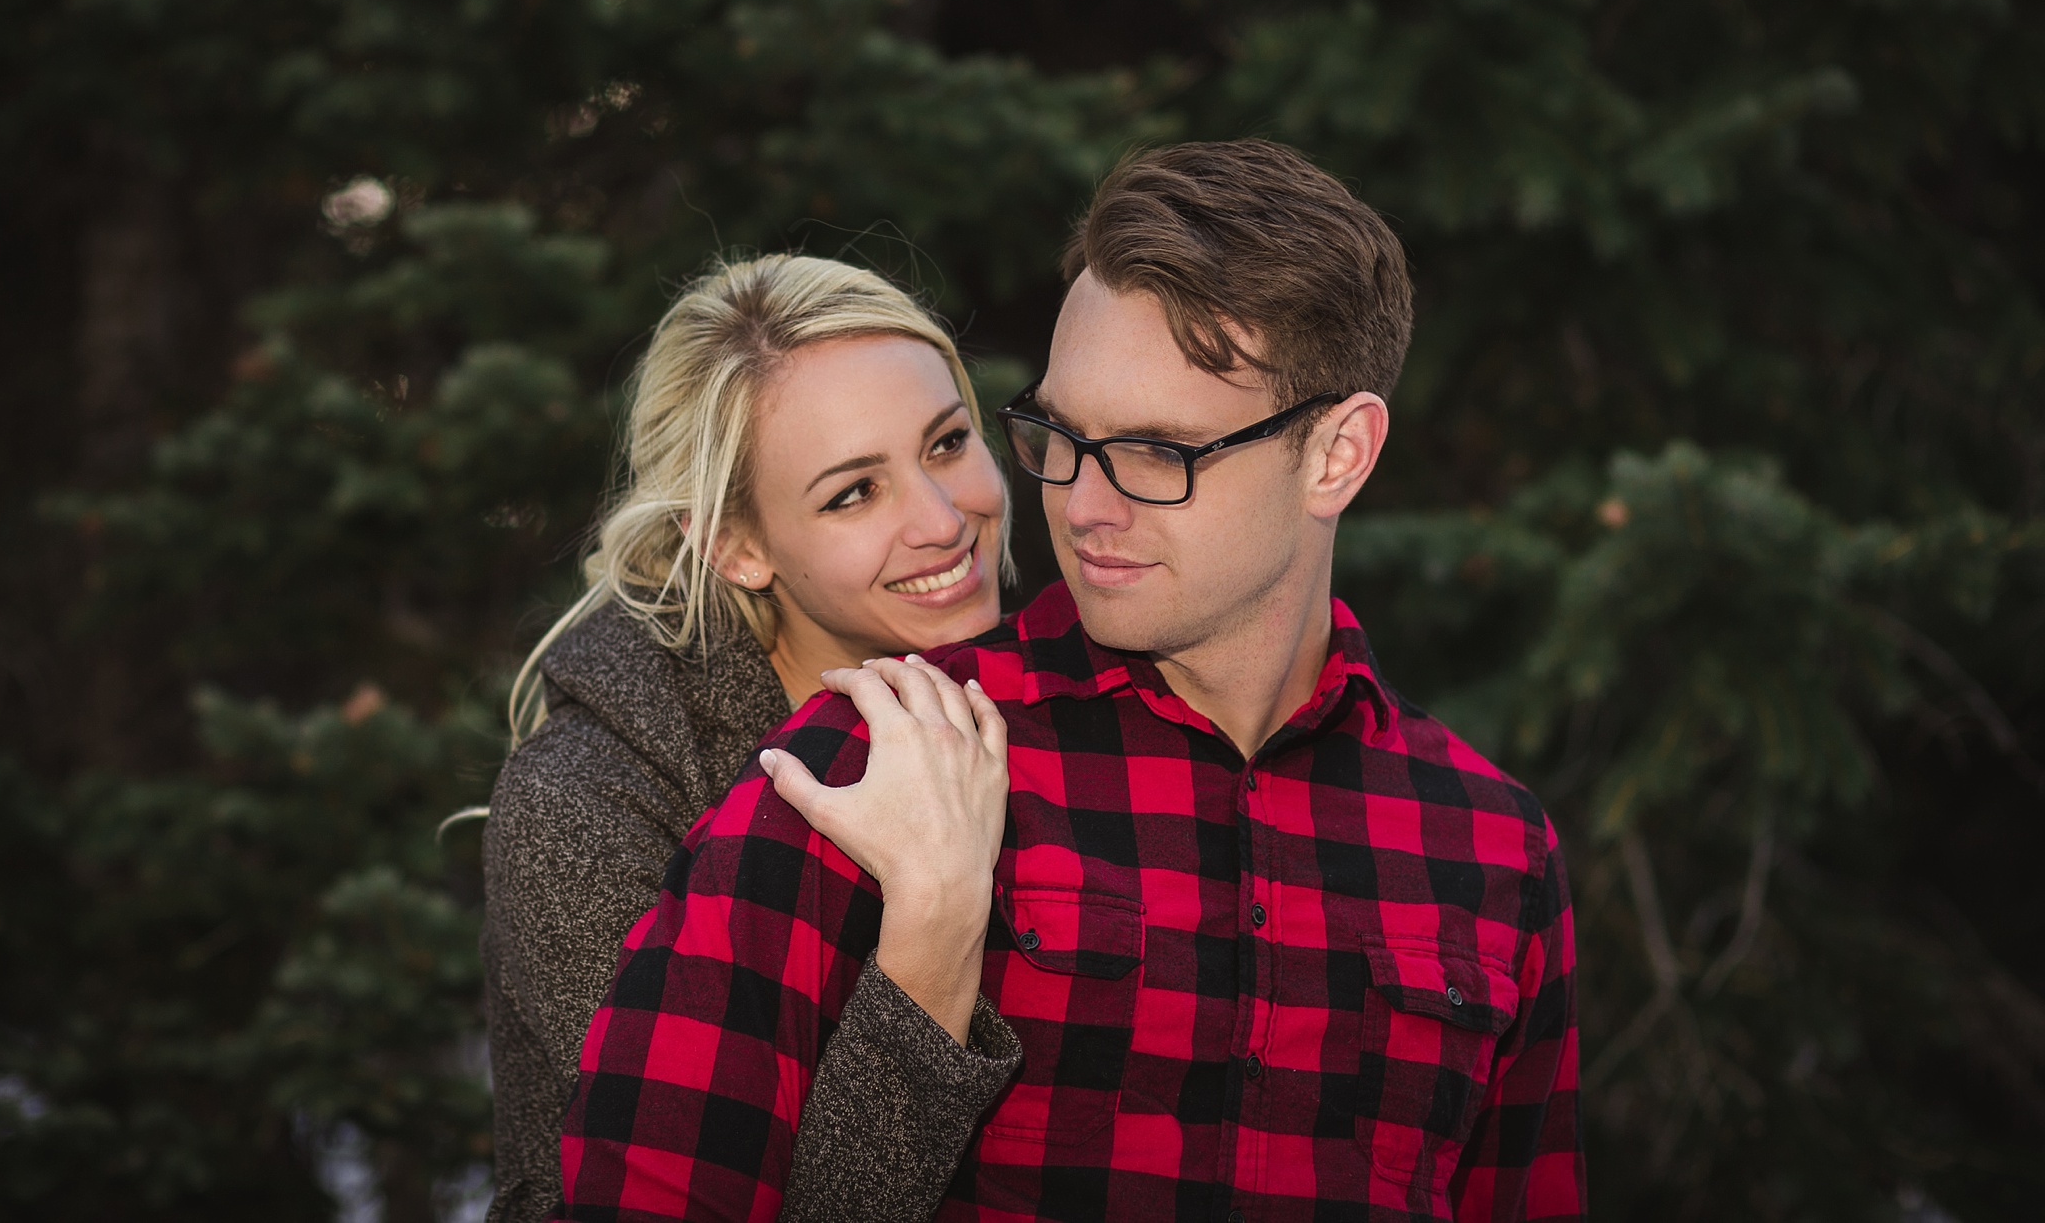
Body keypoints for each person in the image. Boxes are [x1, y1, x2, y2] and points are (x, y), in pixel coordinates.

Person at [556, 140, 1586, 1221]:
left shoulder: (1491, 850)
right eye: (1060, 433)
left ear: (1336, 455)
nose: (1082, 506)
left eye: (1156, 452)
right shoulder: (874, 761)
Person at [481, 254, 1025, 1223]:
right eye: (853, 492)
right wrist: (934, 934)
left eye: (946, 442)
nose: (944, 522)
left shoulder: (1041, 692)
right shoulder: (583, 804)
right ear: (736, 545)